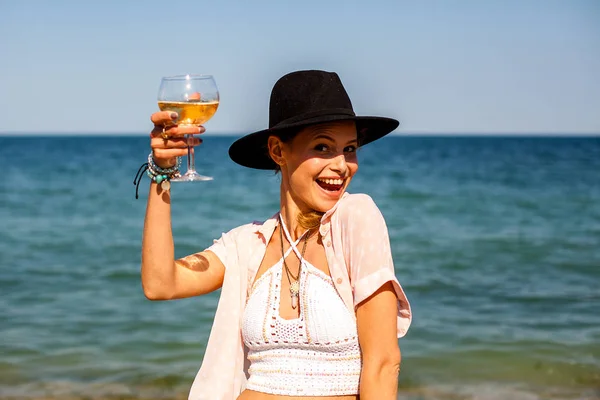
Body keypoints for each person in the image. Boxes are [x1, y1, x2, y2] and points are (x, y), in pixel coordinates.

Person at [140, 70, 412, 400]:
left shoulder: (356, 218)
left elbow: (383, 364)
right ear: (278, 151)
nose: (342, 165)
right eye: (323, 147)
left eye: (350, 148)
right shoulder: (247, 244)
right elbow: (160, 283)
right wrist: (161, 173)